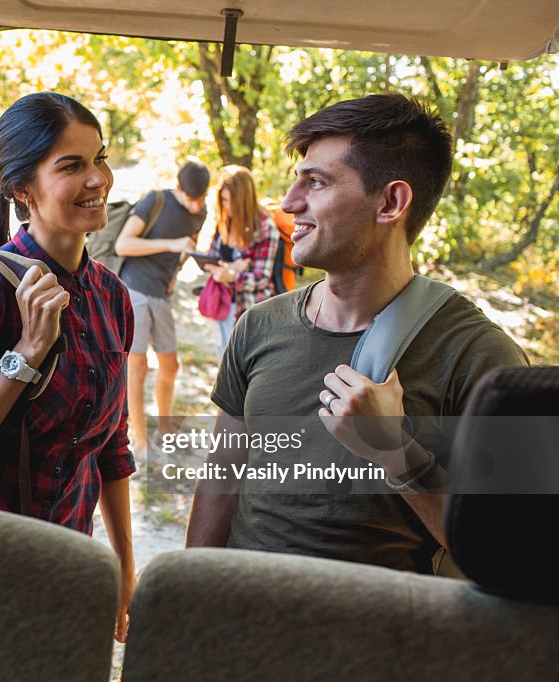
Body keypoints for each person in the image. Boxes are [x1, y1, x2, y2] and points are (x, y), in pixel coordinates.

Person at [185, 93, 528, 572]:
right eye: (296, 180)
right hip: (243, 625)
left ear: (390, 202)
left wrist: (393, 449)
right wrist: (188, 599)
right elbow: (223, 477)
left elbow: (507, 548)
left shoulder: (481, 357)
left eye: (317, 182)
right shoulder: (259, 325)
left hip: (379, 639)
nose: (289, 203)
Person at [0, 92, 137, 641]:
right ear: (22, 189)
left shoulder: (111, 295)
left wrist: (123, 572)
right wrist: (28, 353)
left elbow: (111, 448)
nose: (98, 179)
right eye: (71, 166)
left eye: (100, 158)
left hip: (68, 569)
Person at [113, 160, 210, 451]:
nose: (196, 205)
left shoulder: (200, 213)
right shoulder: (155, 201)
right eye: (192, 198)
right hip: (135, 288)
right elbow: (123, 245)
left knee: (170, 364)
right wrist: (171, 244)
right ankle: (140, 438)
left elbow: (186, 248)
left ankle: (165, 426)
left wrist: (177, 272)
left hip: (162, 294)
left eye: (202, 199)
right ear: (179, 189)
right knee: (138, 366)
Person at [204, 165, 281, 361]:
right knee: (224, 361)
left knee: (247, 365)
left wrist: (231, 276)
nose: (225, 206)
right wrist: (229, 268)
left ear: (242, 200)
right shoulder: (225, 222)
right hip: (223, 304)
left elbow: (261, 278)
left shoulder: (265, 228)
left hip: (251, 310)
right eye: (222, 200)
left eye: (228, 201)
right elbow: (213, 255)